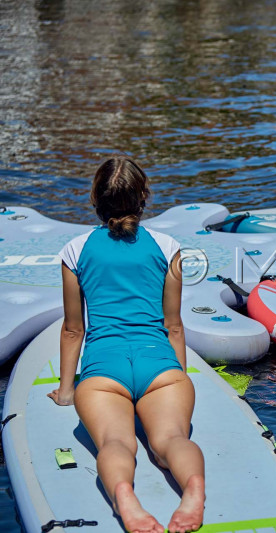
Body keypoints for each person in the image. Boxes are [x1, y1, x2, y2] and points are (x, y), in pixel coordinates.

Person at [48, 156, 205, 533]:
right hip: (159, 367)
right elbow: (174, 326)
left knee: (117, 443)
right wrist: (177, 378)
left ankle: (125, 499)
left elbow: (73, 329)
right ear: (143, 197)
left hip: (104, 372)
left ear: (95, 199)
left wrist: (66, 390)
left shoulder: (75, 250)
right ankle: (195, 491)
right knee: (170, 439)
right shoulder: (169, 247)